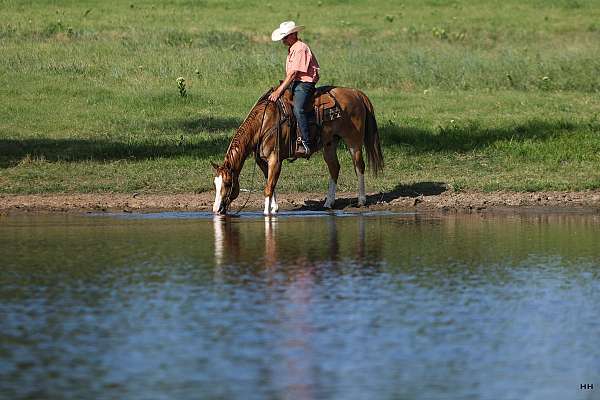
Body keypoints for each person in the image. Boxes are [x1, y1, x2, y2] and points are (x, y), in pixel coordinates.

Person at [268, 21, 320, 157]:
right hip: (295, 83)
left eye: (285, 37)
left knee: (298, 109)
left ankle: (306, 143)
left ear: (293, 35)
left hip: (304, 84)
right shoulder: (293, 48)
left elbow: (293, 74)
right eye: (283, 38)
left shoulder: (300, 48)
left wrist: (279, 91)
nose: (283, 40)